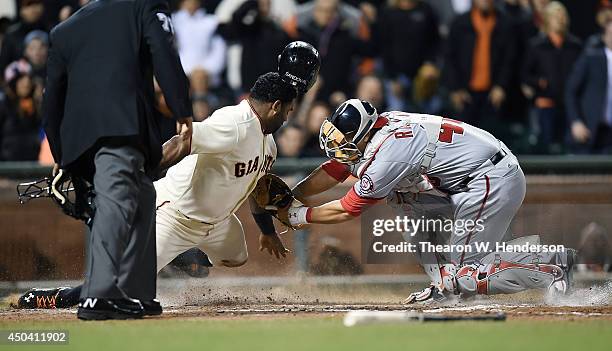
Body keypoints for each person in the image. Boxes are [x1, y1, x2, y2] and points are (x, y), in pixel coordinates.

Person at [17, 43, 321, 311]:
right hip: (174, 214)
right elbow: (181, 141)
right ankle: (57, 297)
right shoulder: (235, 124)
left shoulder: (268, 141)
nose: (288, 118)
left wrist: (266, 231)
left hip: (217, 222)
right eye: (288, 111)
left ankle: (180, 255)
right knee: (116, 290)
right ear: (276, 106)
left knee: (236, 257)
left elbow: (259, 189)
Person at [281, 98, 575, 303]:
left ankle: (550, 265)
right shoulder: (382, 128)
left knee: (466, 277)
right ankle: (444, 286)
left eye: (346, 140)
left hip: (487, 179)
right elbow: (335, 168)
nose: (340, 148)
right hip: (472, 180)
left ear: (364, 133)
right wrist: (292, 195)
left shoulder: (391, 150)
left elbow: (348, 207)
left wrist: (295, 215)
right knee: (405, 200)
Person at [42, 0, 193, 320]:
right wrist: (181, 108)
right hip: (118, 125)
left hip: (80, 135)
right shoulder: (144, 6)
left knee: (141, 194)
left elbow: (51, 97)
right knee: (116, 200)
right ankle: (99, 295)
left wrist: (61, 154)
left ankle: (135, 294)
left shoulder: (64, 29)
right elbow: (164, 53)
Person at [522, 2, 582, 153]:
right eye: (556, 16)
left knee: (569, 147)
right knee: (546, 147)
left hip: (569, 106)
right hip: (545, 105)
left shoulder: (575, 46)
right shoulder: (536, 45)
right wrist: (540, 82)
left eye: (562, 16)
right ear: (547, 20)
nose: (560, 19)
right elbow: (524, 75)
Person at [565, 20, 612, 154]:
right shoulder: (591, 57)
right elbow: (571, 91)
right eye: (610, 34)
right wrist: (576, 121)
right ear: (604, 37)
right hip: (590, 130)